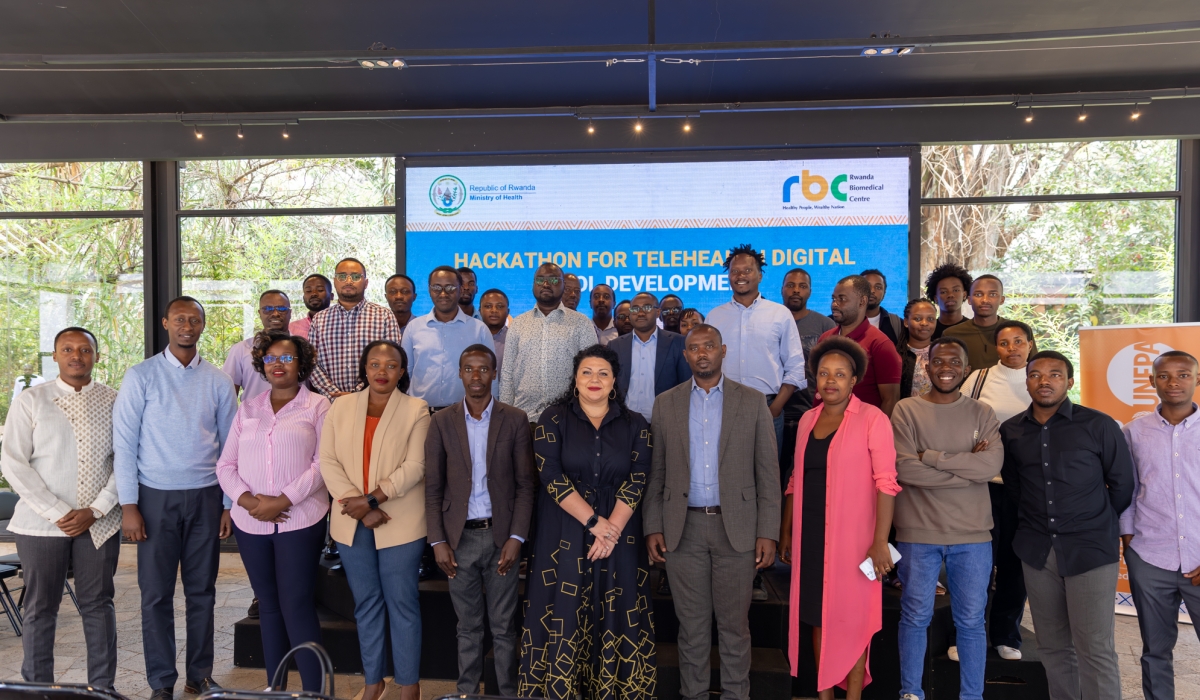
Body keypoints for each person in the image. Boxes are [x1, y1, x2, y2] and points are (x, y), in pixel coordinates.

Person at [644, 324, 782, 700]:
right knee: (691, 628)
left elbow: (768, 474)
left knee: (735, 627)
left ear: (723, 351)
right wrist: (653, 525)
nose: (702, 353)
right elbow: (655, 471)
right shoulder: (665, 402)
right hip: (682, 529)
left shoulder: (753, 401)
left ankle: (737, 695)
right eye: (693, 348)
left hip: (735, 530)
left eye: (709, 346)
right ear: (685, 355)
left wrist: (768, 531)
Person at [113, 297, 238, 700]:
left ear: (203, 325)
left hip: (205, 497)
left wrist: (227, 504)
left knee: (202, 591)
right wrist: (129, 504)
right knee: (155, 595)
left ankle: (198, 675)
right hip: (153, 499)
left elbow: (231, 447)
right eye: (180, 319)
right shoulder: (141, 376)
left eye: (195, 319)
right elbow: (124, 442)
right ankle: (161, 682)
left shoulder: (218, 380)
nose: (187, 325)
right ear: (166, 322)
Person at [518, 345, 656, 699]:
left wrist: (611, 531)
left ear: (614, 382)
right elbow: (549, 474)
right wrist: (596, 523)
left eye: (603, 373)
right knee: (561, 610)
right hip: (563, 529)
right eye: (587, 372)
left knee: (618, 609)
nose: (595, 380)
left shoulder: (636, 424)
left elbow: (638, 477)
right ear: (575, 380)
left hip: (619, 534)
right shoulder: (553, 418)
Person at [1001, 351, 1134, 700]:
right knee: (1052, 645)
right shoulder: (1012, 430)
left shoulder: (1099, 425)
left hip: (1089, 548)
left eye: (1055, 374)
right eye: (1036, 374)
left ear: (1070, 382)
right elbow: (1015, 489)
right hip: (1037, 550)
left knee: (1094, 647)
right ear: (1026, 381)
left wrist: (1093, 521)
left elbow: (1122, 485)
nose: (1045, 381)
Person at [778, 337, 900, 700]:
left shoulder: (872, 419)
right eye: (824, 374)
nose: (831, 381)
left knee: (854, 620)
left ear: (854, 380)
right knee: (817, 616)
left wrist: (880, 542)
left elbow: (887, 484)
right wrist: (786, 531)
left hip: (856, 541)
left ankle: (853, 696)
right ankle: (825, 695)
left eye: (840, 375)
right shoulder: (806, 420)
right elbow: (795, 481)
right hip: (811, 536)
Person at [2, 327, 121, 688]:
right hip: (41, 524)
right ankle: (37, 688)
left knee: (98, 605)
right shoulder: (31, 400)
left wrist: (97, 508)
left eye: (85, 349)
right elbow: (12, 461)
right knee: (40, 607)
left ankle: (102, 688)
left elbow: (127, 461)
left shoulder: (115, 400)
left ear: (97, 356)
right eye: (67, 349)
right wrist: (56, 511)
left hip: (99, 523)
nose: (76, 355)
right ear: (54, 356)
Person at [215, 329, 329, 691]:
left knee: (296, 604)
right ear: (261, 365)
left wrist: (282, 500)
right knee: (268, 605)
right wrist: (248, 502)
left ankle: (313, 692)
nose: (278, 364)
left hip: (301, 518)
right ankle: (276, 690)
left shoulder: (318, 406)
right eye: (270, 358)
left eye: (287, 357)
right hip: (251, 523)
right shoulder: (247, 408)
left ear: (302, 364)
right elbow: (225, 465)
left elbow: (324, 462)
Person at [891, 336, 1003, 700]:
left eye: (955, 362)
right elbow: (904, 470)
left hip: (972, 536)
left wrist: (932, 457)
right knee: (915, 618)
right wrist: (966, 466)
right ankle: (911, 692)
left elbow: (990, 466)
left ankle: (972, 696)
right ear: (927, 365)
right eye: (939, 361)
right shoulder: (906, 410)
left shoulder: (982, 413)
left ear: (966, 369)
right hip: (917, 533)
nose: (946, 368)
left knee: (971, 622)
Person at [319, 340, 430, 700]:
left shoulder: (417, 408)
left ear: (402, 371)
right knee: (366, 604)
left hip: (399, 518)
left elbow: (415, 467)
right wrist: (363, 507)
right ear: (364, 368)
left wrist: (371, 500)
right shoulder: (341, 406)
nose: (382, 371)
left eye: (391, 365)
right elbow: (328, 461)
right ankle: (373, 682)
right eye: (375, 364)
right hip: (353, 521)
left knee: (403, 603)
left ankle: (408, 684)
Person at [425, 345, 536, 696]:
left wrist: (516, 538)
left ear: (494, 373)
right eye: (469, 369)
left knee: (504, 628)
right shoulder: (441, 421)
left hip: (501, 538)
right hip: (458, 541)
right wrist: (438, 540)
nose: (476, 376)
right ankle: (466, 694)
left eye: (483, 369)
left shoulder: (514, 419)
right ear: (460, 374)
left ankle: (507, 693)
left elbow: (525, 485)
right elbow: (433, 487)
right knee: (468, 627)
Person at [954, 319, 1036, 663]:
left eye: (1019, 342)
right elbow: (960, 417)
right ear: (996, 347)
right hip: (983, 485)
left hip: (1024, 487)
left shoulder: (1039, 378)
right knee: (976, 565)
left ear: (1031, 344)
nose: (1012, 349)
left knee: (1013, 564)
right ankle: (968, 634)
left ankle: (1007, 635)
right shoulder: (980, 377)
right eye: (1005, 343)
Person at [1120, 351, 1200, 700]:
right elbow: (1128, 487)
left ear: (1197, 379)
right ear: (1151, 381)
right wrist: (1128, 541)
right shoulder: (1134, 431)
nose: (1174, 382)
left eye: (1183, 374)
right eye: (1164, 376)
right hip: (1150, 555)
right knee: (1155, 649)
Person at [706, 244, 806, 455]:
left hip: (767, 406)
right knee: (726, 474)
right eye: (734, 271)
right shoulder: (715, 316)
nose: (740, 275)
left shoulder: (780, 314)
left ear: (760, 275)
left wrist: (774, 409)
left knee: (767, 476)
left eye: (747, 270)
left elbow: (795, 368)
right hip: (723, 407)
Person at [498, 263, 597, 423]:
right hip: (524, 417)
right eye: (540, 280)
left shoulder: (581, 324)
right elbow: (508, 373)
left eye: (553, 280)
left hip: (569, 419)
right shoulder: (518, 324)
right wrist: (506, 416)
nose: (545, 284)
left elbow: (592, 373)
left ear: (564, 286)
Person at [402, 266, 494, 412]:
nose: (443, 293)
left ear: (460, 289)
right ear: (429, 290)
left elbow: (490, 377)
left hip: (465, 414)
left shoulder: (479, 329)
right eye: (437, 287)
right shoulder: (414, 327)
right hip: (420, 413)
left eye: (450, 287)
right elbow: (406, 373)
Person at [309, 258, 403, 398]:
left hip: (374, 399)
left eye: (355, 276)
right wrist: (333, 394)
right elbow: (312, 362)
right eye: (342, 276)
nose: (348, 281)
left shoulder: (384, 316)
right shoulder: (319, 320)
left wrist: (359, 393)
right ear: (335, 281)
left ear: (365, 283)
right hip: (331, 403)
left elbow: (392, 360)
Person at [781, 268, 836, 477]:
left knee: (809, 474)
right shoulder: (771, 322)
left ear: (810, 291)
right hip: (774, 411)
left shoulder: (825, 325)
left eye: (802, 286)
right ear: (782, 289)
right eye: (791, 285)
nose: (796, 290)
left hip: (813, 412)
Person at [821, 275, 902, 416]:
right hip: (824, 427)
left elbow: (890, 400)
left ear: (862, 301)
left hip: (863, 432)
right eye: (834, 299)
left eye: (842, 299)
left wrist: (876, 435)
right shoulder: (825, 339)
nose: (834, 304)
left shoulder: (881, 345)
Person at [610, 292, 691, 422]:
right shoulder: (615, 345)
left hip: (665, 421)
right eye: (635, 309)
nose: (640, 313)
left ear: (658, 312)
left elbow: (686, 385)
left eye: (647, 308)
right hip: (623, 422)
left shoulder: (678, 342)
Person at [223, 290, 293, 401]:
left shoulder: (302, 348)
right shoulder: (240, 350)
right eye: (268, 309)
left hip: (298, 416)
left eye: (282, 309)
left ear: (290, 313)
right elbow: (226, 397)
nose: (275, 313)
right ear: (259, 313)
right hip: (253, 416)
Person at [944, 274, 1007, 370]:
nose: (985, 300)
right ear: (969, 300)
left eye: (992, 294)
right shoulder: (952, 335)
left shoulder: (1017, 331)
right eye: (978, 294)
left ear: (1002, 300)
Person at [897, 298, 937, 398]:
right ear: (906, 322)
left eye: (930, 319)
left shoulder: (942, 353)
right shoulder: (895, 355)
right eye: (918, 319)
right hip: (907, 412)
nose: (924, 323)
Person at [923, 263, 973, 339]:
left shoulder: (973, 329)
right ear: (936, 298)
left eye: (956, 290)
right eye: (943, 292)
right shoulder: (927, 330)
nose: (950, 295)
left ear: (964, 294)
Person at [861, 269, 902, 344]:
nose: (872, 291)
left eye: (878, 287)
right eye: (867, 286)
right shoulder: (840, 321)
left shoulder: (897, 324)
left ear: (884, 293)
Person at [479, 288, 510, 379]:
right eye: (488, 306)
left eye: (500, 306)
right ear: (480, 311)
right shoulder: (471, 337)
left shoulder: (515, 339)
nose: (494, 310)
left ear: (508, 312)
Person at [290, 274, 332, 341]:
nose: (314, 294)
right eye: (308, 291)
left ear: (331, 296)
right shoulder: (291, 328)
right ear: (303, 298)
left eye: (320, 290)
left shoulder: (340, 324)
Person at [384, 273, 418, 338]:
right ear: (386, 297)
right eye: (393, 292)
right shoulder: (379, 328)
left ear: (414, 297)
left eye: (405, 291)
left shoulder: (423, 327)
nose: (399, 296)